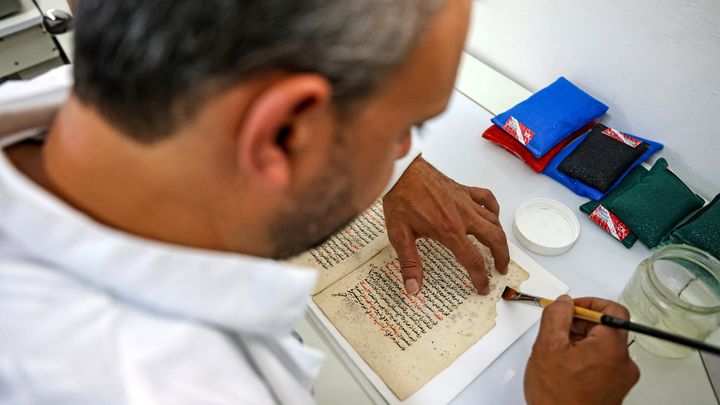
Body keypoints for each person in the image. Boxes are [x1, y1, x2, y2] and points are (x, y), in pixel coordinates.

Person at [0, 0, 639, 404]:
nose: (406, 155)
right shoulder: (171, 384)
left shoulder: (97, 100)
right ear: (283, 133)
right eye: (407, 127)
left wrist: (392, 164)